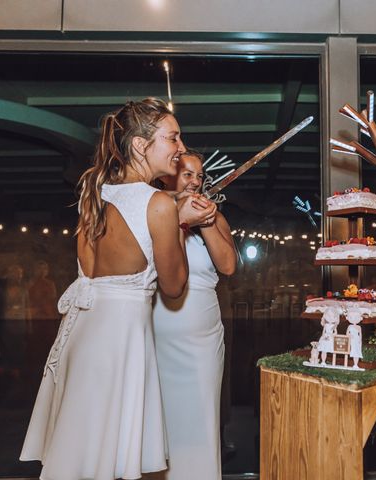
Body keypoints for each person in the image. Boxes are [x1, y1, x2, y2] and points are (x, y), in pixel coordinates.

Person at [20, 98, 215, 480]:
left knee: (83, 447)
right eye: (172, 138)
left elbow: (93, 268)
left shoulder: (94, 193)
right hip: (121, 337)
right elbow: (174, 287)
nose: (179, 148)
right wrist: (179, 222)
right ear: (142, 145)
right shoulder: (158, 203)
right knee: (112, 451)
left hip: (83, 330)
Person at [152, 149, 237, 480]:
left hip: (202, 336)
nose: (195, 181)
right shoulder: (152, 214)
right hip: (159, 329)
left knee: (201, 419)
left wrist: (207, 220)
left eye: (200, 176)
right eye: (187, 174)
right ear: (167, 175)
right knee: (159, 419)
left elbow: (228, 266)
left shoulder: (213, 216)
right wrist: (179, 217)